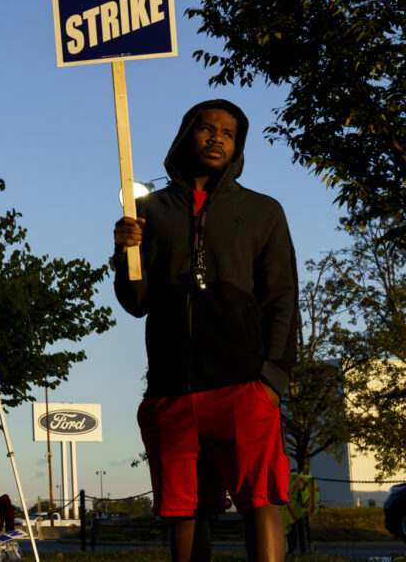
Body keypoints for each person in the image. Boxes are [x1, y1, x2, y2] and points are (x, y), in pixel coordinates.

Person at [114, 99, 298, 562]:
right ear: (185, 135)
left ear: (237, 147)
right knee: (183, 509)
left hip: (244, 385)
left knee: (259, 501)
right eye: (206, 128)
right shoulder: (149, 212)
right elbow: (136, 302)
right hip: (172, 388)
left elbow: (282, 298)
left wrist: (272, 379)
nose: (217, 137)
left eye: (228, 133)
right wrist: (125, 252)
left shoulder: (262, 211)